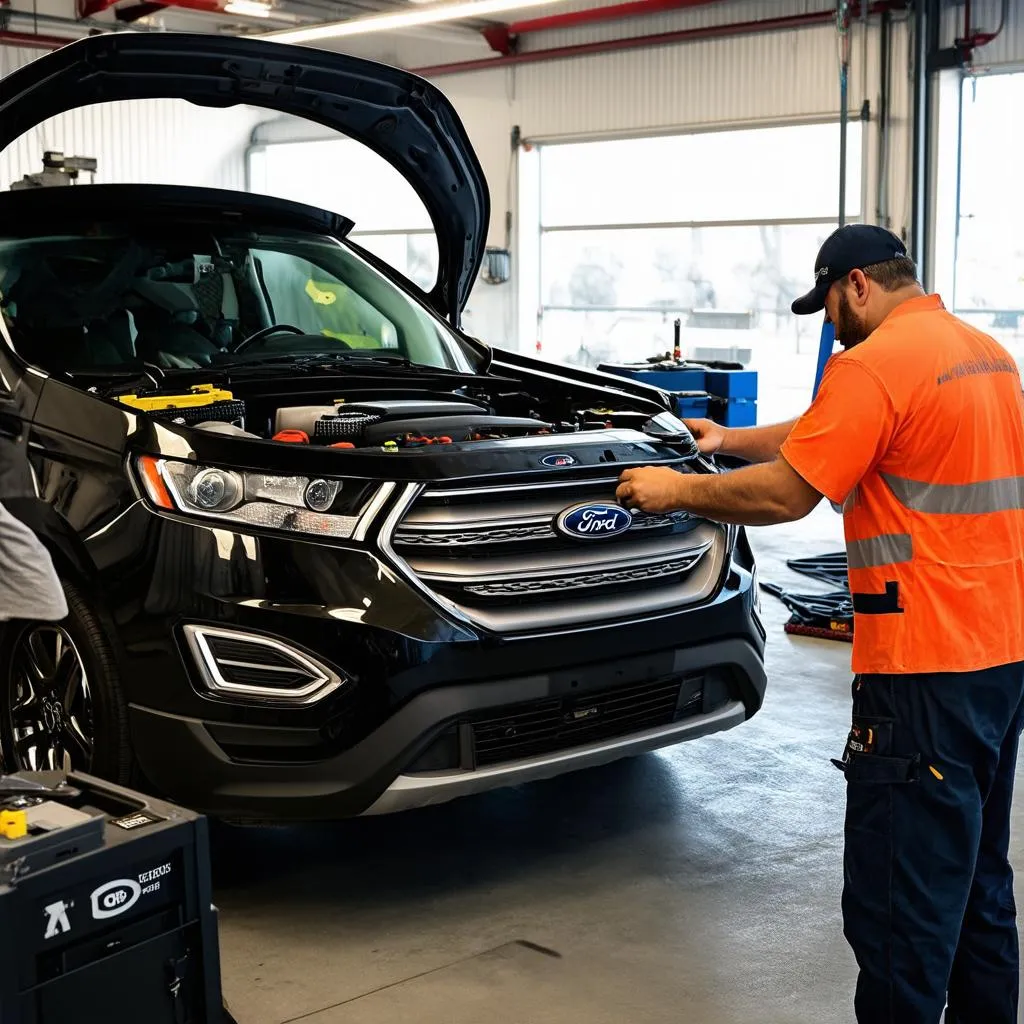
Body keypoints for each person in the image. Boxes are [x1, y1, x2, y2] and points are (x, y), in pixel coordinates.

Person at [616, 224, 1024, 1024]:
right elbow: (826, 433)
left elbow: (787, 494)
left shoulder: (872, 365)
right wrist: (728, 441)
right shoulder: (984, 354)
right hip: (1002, 657)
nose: (830, 324)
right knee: (979, 884)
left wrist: (677, 491)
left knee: (902, 911)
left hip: (922, 668)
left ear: (860, 284)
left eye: (831, 304)